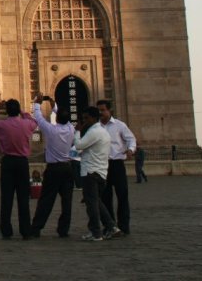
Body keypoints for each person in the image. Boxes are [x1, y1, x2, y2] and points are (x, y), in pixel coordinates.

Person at [0, 99, 38, 240]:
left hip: (8, 162)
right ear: (18, 110)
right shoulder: (27, 124)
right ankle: (26, 230)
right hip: (22, 163)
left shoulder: (2, 125)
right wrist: (22, 111)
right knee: (23, 198)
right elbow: (34, 121)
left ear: (6, 111)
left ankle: (6, 230)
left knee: (7, 198)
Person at [30, 95, 75, 239]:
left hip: (53, 169)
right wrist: (53, 105)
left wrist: (37, 103)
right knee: (67, 201)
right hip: (67, 168)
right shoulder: (71, 129)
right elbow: (62, 116)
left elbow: (38, 118)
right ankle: (63, 230)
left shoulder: (51, 130)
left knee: (46, 200)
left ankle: (36, 228)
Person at [74, 106, 120, 241]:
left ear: (94, 118)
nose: (84, 121)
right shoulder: (103, 131)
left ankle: (96, 232)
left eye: (86, 118)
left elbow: (79, 145)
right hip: (100, 171)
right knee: (96, 202)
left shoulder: (94, 132)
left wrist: (77, 132)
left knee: (92, 205)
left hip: (91, 172)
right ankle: (111, 226)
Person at [97, 100, 136, 235]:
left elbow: (131, 139)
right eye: (99, 110)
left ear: (110, 110)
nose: (100, 113)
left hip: (117, 164)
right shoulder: (95, 127)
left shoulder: (120, 125)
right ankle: (110, 225)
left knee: (122, 196)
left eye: (103, 110)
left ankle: (124, 226)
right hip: (102, 165)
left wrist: (131, 149)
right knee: (105, 197)